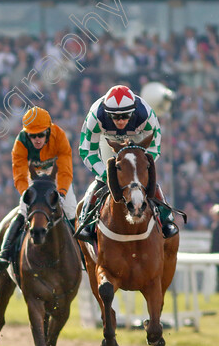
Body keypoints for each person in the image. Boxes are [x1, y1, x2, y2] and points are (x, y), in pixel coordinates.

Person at [75, 85, 177, 241]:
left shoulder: (146, 115)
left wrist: (140, 168)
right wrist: (106, 173)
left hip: (138, 141)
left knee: (145, 180)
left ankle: (167, 219)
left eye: (125, 116)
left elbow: (155, 148)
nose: (120, 121)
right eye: (115, 117)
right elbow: (87, 151)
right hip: (108, 141)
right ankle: (85, 219)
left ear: (133, 111)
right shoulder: (95, 116)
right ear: (107, 114)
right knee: (102, 180)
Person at [0, 106, 76, 273]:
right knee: (23, 211)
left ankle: (85, 254)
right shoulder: (20, 142)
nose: (37, 139)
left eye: (40, 135)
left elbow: (66, 169)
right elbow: (19, 175)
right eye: (33, 135)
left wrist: (62, 192)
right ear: (27, 134)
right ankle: (5, 252)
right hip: (34, 179)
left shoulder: (59, 136)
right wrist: (26, 193)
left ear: (48, 131)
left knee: (71, 210)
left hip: (57, 176)